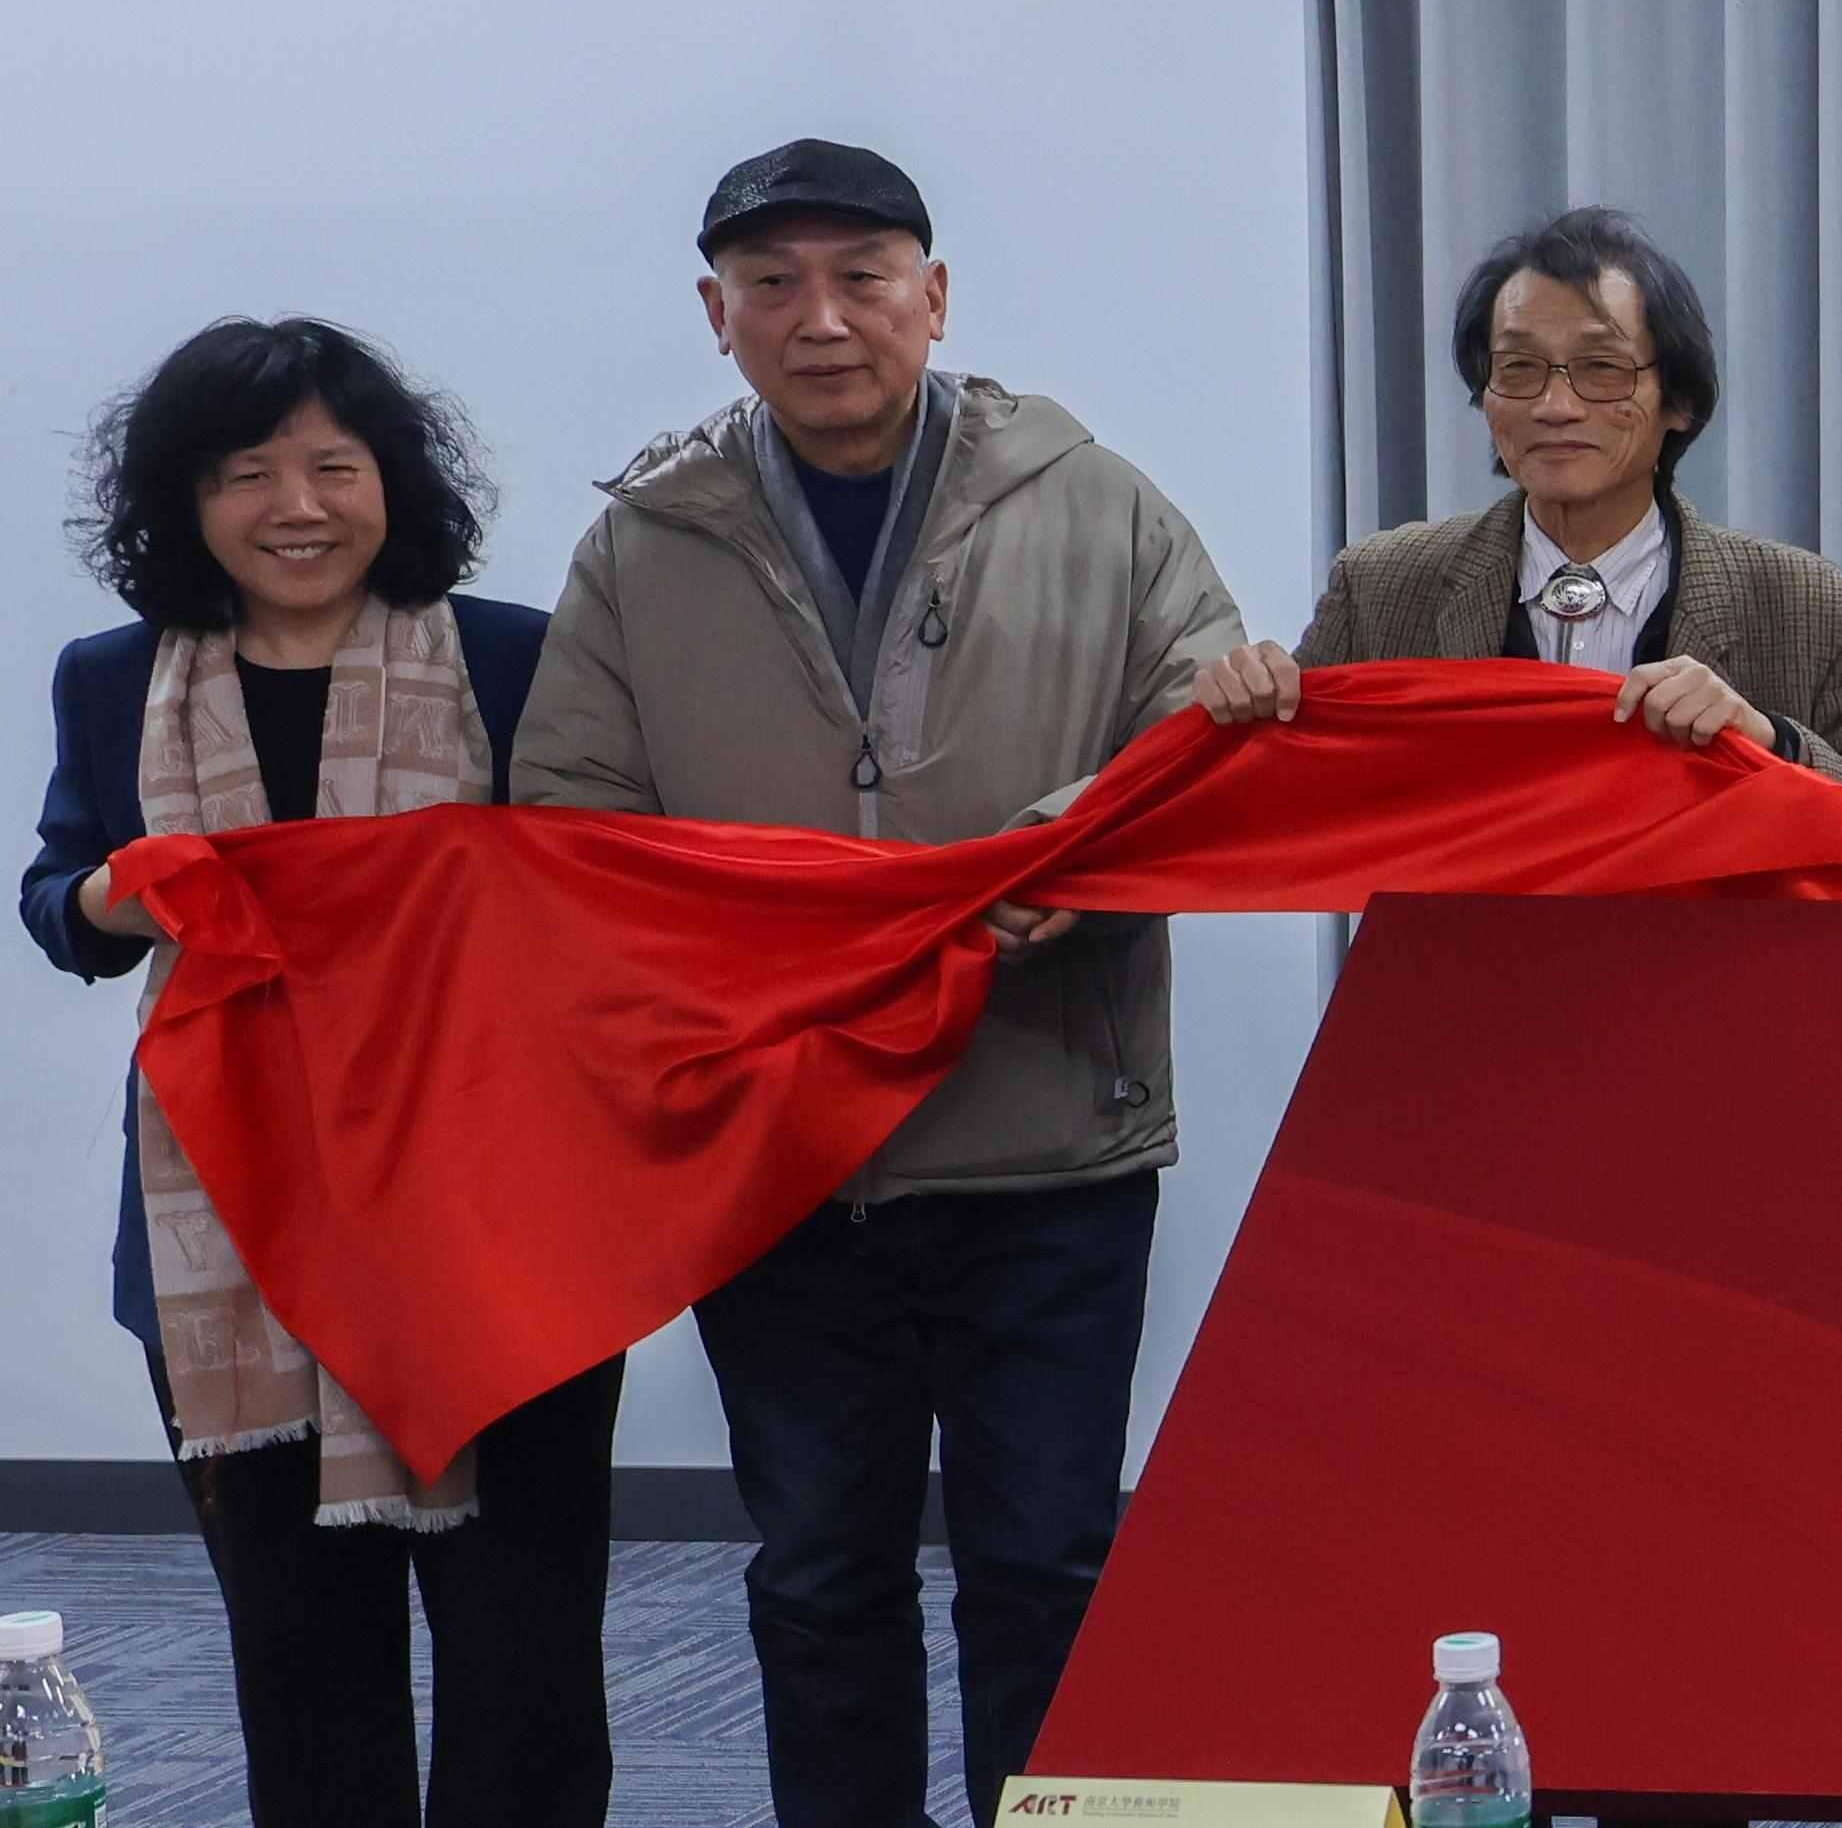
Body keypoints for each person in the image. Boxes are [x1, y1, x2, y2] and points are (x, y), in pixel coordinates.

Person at [508, 140, 1293, 1828]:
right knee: (815, 1575)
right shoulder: (646, 543)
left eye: (862, 276)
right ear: (716, 315)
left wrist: (1056, 862)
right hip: (780, 1155)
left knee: (1048, 1563)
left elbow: (1203, 739)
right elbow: (571, 814)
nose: (822, 318)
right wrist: (760, 939)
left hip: (1046, 1139)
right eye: (773, 284)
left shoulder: (1097, 502)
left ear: (932, 297)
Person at [29, 322, 613, 1828]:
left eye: (332, 466)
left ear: (391, 483)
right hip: (233, 1229)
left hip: (493, 1234)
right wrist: (115, 896)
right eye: (247, 472)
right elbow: (59, 892)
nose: (296, 505)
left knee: (524, 1662)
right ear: (185, 502)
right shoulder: (114, 678)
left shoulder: (512, 656)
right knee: (302, 1663)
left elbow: (606, 894)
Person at [1284, 207, 1842, 802]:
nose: (1555, 406)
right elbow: (1289, 795)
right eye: (1519, 367)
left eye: (1602, 369)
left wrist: (1773, 743)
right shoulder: (1379, 589)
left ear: (1679, 402)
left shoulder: (1819, 613)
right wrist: (1254, 707)